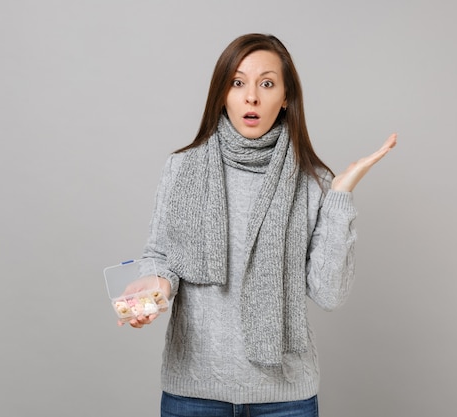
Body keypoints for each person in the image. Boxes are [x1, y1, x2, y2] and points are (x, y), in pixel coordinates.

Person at [119, 33, 397, 417]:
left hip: (285, 398)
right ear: (222, 95)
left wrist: (340, 195)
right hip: (193, 392)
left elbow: (329, 294)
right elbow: (161, 257)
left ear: (285, 98)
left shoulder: (312, 180)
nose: (251, 97)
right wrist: (157, 285)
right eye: (238, 82)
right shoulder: (182, 167)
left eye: (267, 83)